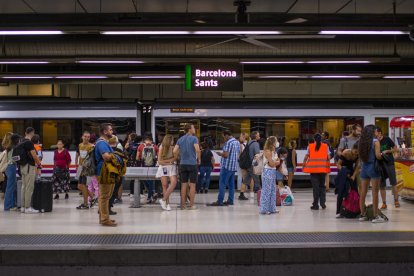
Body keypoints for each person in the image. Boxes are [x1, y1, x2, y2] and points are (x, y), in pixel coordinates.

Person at [358, 125, 385, 223]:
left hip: (364, 168)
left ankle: (362, 215)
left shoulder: (361, 142)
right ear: (372, 132)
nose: (376, 132)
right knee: (375, 193)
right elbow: (378, 156)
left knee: (363, 193)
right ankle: (375, 216)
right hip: (373, 168)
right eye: (375, 131)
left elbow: (360, 157)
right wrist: (383, 154)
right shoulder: (375, 142)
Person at [208, 130, 240, 206]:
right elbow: (238, 154)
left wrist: (220, 154)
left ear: (226, 135)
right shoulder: (237, 142)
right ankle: (230, 200)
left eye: (223, 137)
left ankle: (220, 201)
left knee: (222, 184)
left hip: (226, 166)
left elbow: (226, 155)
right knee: (231, 185)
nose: (223, 139)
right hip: (233, 167)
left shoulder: (228, 143)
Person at [173, 123, 200, 210]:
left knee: (183, 185)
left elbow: (174, 150)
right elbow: (197, 150)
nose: (194, 129)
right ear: (189, 129)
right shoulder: (194, 138)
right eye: (193, 128)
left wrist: (178, 156)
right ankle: (191, 205)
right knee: (192, 185)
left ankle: (182, 205)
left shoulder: (180, 139)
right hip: (192, 164)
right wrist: (199, 159)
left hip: (183, 164)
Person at [95, 123, 117, 227]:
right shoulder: (102, 143)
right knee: (104, 196)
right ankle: (104, 219)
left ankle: (104, 217)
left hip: (107, 172)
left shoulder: (104, 143)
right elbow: (106, 157)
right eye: (110, 130)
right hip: (104, 172)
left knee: (106, 196)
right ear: (105, 131)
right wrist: (118, 157)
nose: (112, 132)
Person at [303, 133, 331, 210]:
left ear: (314, 139)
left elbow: (306, 157)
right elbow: (328, 157)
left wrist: (303, 165)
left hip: (313, 170)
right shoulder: (326, 146)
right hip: (322, 170)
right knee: (322, 186)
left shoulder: (310, 146)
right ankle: (323, 203)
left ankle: (315, 205)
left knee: (316, 188)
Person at [375, 127, 400, 209]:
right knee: (382, 185)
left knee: (393, 182)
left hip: (389, 163)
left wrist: (387, 151)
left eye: (375, 132)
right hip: (380, 164)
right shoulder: (374, 141)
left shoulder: (387, 139)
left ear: (379, 133)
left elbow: (395, 149)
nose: (374, 134)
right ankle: (384, 203)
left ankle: (396, 201)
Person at [20, 127, 42, 214]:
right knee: (29, 187)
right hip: (29, 167)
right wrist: (39, 163)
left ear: (25, 132)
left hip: (23, 166)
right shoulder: (29, 142)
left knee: (24, 187)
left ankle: (23, 207)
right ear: (32, 133)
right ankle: (28, 207)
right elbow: (34, 155)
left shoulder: (21, 141)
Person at [335, 143, 360, 218]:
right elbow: (338, 165)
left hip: (351, 171)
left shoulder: (358, 155)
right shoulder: (346, 152)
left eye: (357, 153)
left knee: (355, 190)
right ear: (352, 149)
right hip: (343, 171)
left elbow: (357, 167)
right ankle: (339, 211)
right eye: (355, 152)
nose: (356, 154)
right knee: (341, 191)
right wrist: (344, 172)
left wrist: (353, 176)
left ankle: (356, 210)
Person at [259, 136, 280, 214]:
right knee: (266, 191)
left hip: (272, 171)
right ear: (272, 142)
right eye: (276, 141)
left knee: (272, 191)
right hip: (267, 171)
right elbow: (272, 164)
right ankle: (264, 209)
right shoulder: (267, 151)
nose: (277, 142)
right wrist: (276, 162)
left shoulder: (274, 151)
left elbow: (277, 161)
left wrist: (275, 162)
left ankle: (272, 208)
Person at [157, 134, 177, 211]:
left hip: (171, 168)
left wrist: (166, 161)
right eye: (172, 140)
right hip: (163, 168)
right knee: (165, 185)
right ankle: (167, 204)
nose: (173, 141)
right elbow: (160, 161)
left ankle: (163, 199)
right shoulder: (161, 147)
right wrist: (169, 161)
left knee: (174, 182)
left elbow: (175, 158)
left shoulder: (173, 148)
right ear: (169, 140)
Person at [238, 131, 261, 200]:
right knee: (257, 179)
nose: (259, 136)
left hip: (247, 164)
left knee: (246, 179)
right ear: (256, 136)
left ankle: (241, 194)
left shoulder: (249, 142)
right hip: (252, 165)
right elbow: (257, 154)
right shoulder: (256, 144)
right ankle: (262, 194)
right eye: (258, 135)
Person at [136, 135, 159, 204]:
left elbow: (137, 158)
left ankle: (150, 195)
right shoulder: (155, 146)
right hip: (152, 166)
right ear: (151, 140)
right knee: (151, 181)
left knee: (144, 179)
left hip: (143, 166)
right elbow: (158, 156)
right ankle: (150, 196)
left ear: (144, 140)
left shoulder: (140, 146)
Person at [76, 131, 94, 210]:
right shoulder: (79, 145)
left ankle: (86, 204)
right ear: (82, 137)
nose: (87, 138)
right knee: (79, 186)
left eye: (88, 137)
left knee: (83, 186)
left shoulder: (92, 146)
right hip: (80, 168)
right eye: (85, 136)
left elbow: (93, 159)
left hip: (87, 169)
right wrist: (76, 164)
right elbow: (77, 155)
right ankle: (93, 198)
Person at [2, 133, 20, 211]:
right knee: (10, 187)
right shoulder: (13, 147)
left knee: (13, 187)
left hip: (8, 168)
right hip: (11, 167)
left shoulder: (8, 147)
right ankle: (7, 206)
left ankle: (13, 205)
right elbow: (13, 159)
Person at [108, 135, 123, 215]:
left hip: (106, 174)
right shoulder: (119, 151)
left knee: (105, 192)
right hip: (117, 175)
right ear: (116, 142)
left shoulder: (105, 151)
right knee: (113, 192)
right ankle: (108, 208)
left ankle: (102, 208)